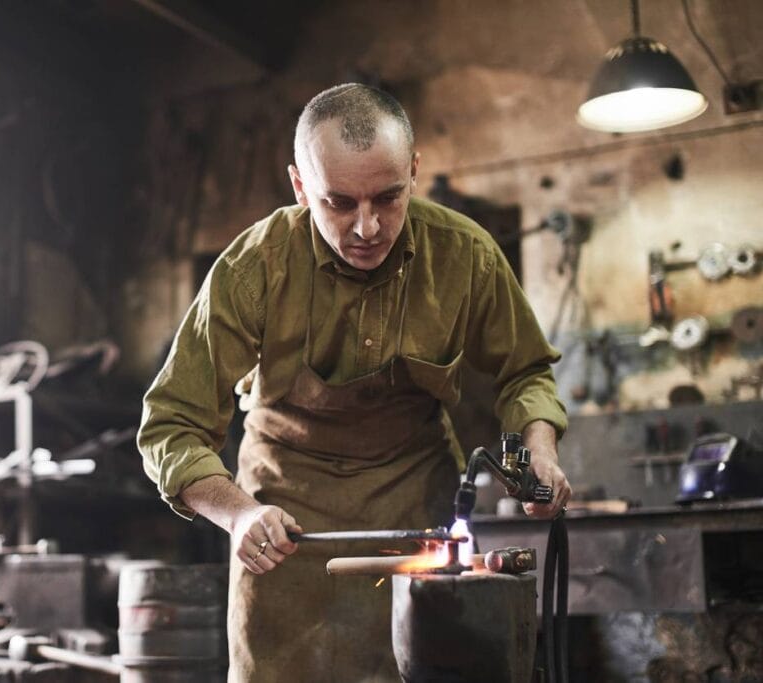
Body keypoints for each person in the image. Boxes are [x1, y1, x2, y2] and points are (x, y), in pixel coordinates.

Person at [138, 83, 571, 682]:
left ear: (413, 171)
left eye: (387, 198)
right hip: (281, 523)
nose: (367, 227)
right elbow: (172, 425)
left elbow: (524, 371)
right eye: (338, 203)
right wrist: (238, 515)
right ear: (299, 187)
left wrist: (540, 452)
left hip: (414, 508)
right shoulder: (254, 267)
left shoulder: (465, 255)